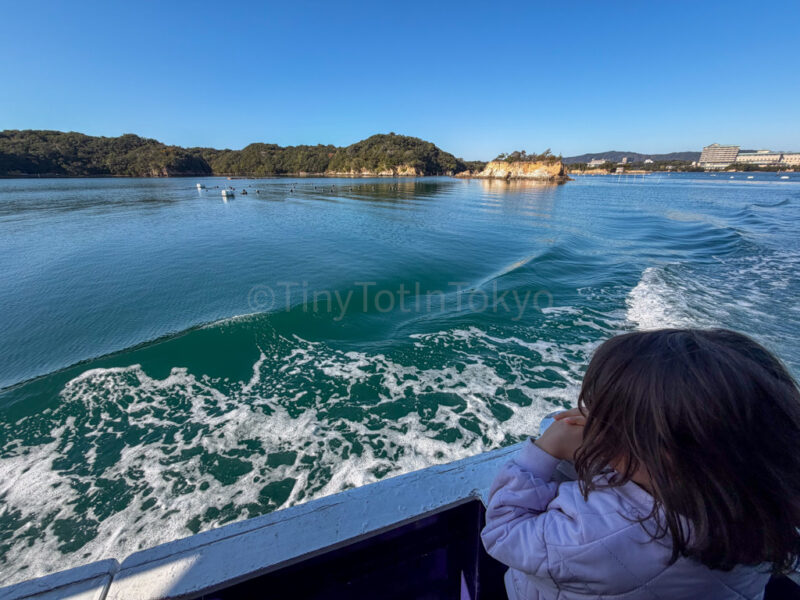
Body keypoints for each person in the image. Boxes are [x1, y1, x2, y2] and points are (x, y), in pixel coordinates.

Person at [482, 328, 800, 599]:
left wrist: (546, 450)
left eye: (606, 423)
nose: (592, 426)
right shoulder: (763, 505)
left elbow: (504, 532)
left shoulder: (592, 537)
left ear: (661, 456)